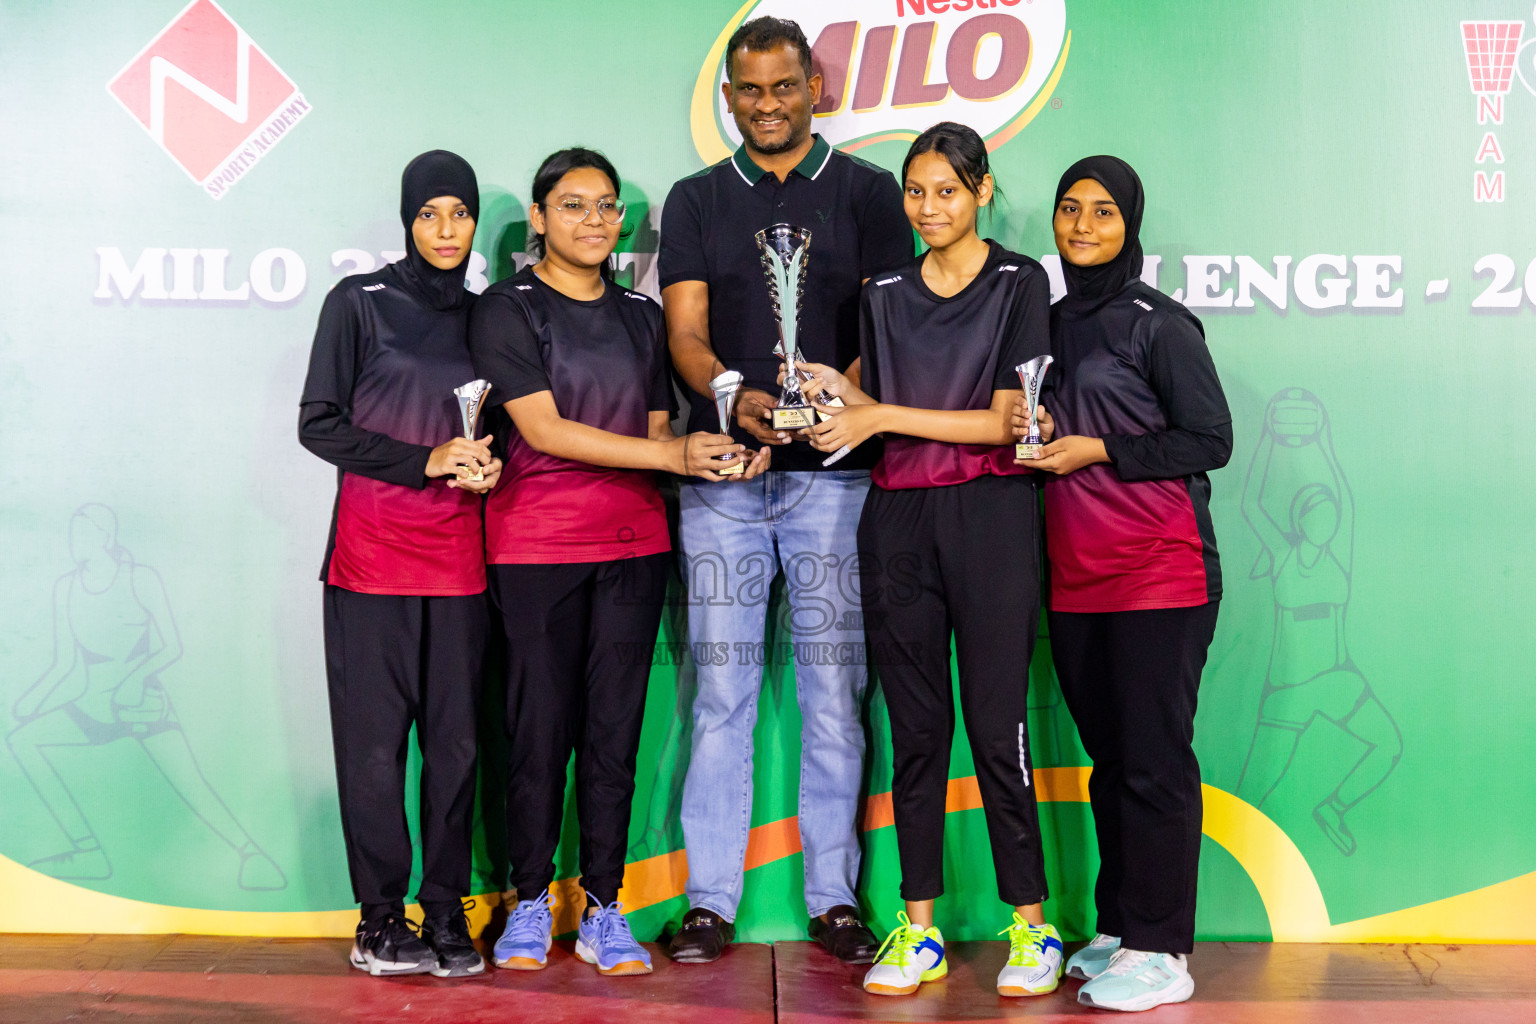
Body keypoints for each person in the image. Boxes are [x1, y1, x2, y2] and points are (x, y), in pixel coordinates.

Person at [657, 15, 911, 964]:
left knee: (835, 696)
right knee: (719, 697)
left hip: (835, 488)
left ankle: (835, 899)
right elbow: (685, 334)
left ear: (815, 89)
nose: (767, 105)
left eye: (784, 87)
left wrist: (828, 394)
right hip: (725, 478)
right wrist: (736, 396)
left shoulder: (869, 194)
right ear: (729, 98)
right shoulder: (694, 200)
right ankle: (711, 902)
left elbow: (893, 327)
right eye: (749, 91)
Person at [469, 148, 750, 978]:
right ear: (540, 216)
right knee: (535, 733)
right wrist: (670, 458)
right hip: (535, 548)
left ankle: (603, 905)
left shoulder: (637, 313)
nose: (593, 220)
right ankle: (527, 903)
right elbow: (546, 430)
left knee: (613, 737)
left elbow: (660, 427)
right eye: (573, 205)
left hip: (633, 548)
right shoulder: (506, 309)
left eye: (606, 207)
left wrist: (713, 454)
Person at [796, 122, 1062, 998]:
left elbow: (1004, 422)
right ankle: (919, 930)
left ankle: (1032, 927)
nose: (929, 207)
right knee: (916, 734)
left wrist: (876, 418)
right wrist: (842, 397)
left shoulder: (1022, 282)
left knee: (996, 730)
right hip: (898, 520)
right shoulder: (881, 289)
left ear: (983, 192)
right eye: (917, 191)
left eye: (948, 189)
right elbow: (884, 404)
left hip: (991, 516)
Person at [1018, 156, 1232, 1012]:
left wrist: (1097, 448)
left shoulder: (1159, 323)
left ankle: (1163, 948)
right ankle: (1118, 926)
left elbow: (1208, 439)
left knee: (1154, 764)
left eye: (1102, 213)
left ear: (1129, 224)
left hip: (1160, 574)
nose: (1080, 226)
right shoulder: (1047, 322)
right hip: (1076, 578)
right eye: (1070, 210)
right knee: (1114, 762)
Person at [298, 150, 499, 979]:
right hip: (371, 563)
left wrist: (489, 466)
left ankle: (446, 909)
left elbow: (505, 428)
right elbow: (319, 423)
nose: (446, 230)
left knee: (454, 748)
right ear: (408, 219)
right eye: (430, 215)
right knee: (375, 750)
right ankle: (379, 918)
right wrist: (425, 460)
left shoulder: (490, 318)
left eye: (459, 214)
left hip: (461, 564)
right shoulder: (361, 303)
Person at [8, 504, 286, 891]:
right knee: (21, 739)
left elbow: (171, 646)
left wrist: (133, 678)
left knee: (191, 783)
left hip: (141, 706)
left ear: (105, 537)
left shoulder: (139, 579)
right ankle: (87, 851)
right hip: (90, 706)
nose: (74, 542)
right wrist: (33, 701)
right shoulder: (66, 587)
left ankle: (249, 854)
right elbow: (66, 664)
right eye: (72, 533)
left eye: (82, 534)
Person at [1237, 389, 1401, 855]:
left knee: (1388, 744)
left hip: (1337, 679)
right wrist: (1269, 440)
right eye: (1318, 511)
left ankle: (1333, 806)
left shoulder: (1338, 558)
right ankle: (1225, 863)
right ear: (1301, 519)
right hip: (1289, 687)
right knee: (1252, 792)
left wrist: (1323, 441)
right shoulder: (1283, 554)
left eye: (1330, 513)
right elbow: (1250, 504)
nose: (1327, 517)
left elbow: (1344, 499)